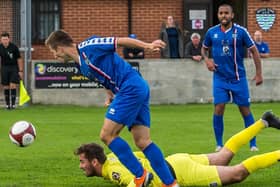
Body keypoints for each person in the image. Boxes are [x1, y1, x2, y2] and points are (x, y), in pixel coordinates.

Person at [45, 30, 179, 187]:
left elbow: (121, 41)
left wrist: (148, 46)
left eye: (53, 51)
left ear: (60, 47)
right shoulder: (81, 66)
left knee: (107, 135)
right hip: (135, 88)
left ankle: (140, 176)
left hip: (130, 87)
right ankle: (170, 183)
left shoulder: (89, 46)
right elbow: (104, 79)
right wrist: (109, 95)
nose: (54, 55)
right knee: (143, 141)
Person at [75, 111, 280, 187]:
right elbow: (139, 156)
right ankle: (264, 122)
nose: (80, 166)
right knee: (224, 155)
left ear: (95, 162)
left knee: (237, 174)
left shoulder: (113, 172)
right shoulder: (113, 155)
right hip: (175, 160)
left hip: (180, 173)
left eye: (83, 161)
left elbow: (139, 182)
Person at [201, 4, 263, 152]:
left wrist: (259, 73)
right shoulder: (211, 32)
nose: (224, 15)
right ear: (218, 15)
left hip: (238, 78)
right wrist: (207, 60)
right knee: (219, 107)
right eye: (221, 13)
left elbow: (254, 51)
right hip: (220, 79)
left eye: (226, 13)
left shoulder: (241, 32)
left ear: (232, 15)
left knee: (245, 110)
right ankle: (219, 144)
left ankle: (253, 144)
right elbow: (204, 48)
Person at [0, 32, 23, 110]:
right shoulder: (0, 47)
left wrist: (20, 70)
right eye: (3, 39)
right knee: (6, 86)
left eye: (6, 39)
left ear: (9, 39)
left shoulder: (14, 47)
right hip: (4, 68)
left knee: (12, 85)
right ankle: (7, 105)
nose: (5, 41)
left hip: (13, 67)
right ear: (1, 40)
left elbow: (19, 59)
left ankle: (13, 105)